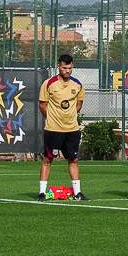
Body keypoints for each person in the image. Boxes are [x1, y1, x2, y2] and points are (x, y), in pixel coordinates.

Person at [37, 54, 88, 198]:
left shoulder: (77, 84)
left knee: (73, 160)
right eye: (64, 68)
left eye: (70, 68)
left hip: (72, 129)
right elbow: (42, 104)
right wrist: (52, 117)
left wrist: (70, 115)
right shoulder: (49, 83)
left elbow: (79, 103)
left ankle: (78, 192)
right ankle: (42, 192)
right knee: (48, 159)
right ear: (59, 66)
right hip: (53, 129)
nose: (67, 71)